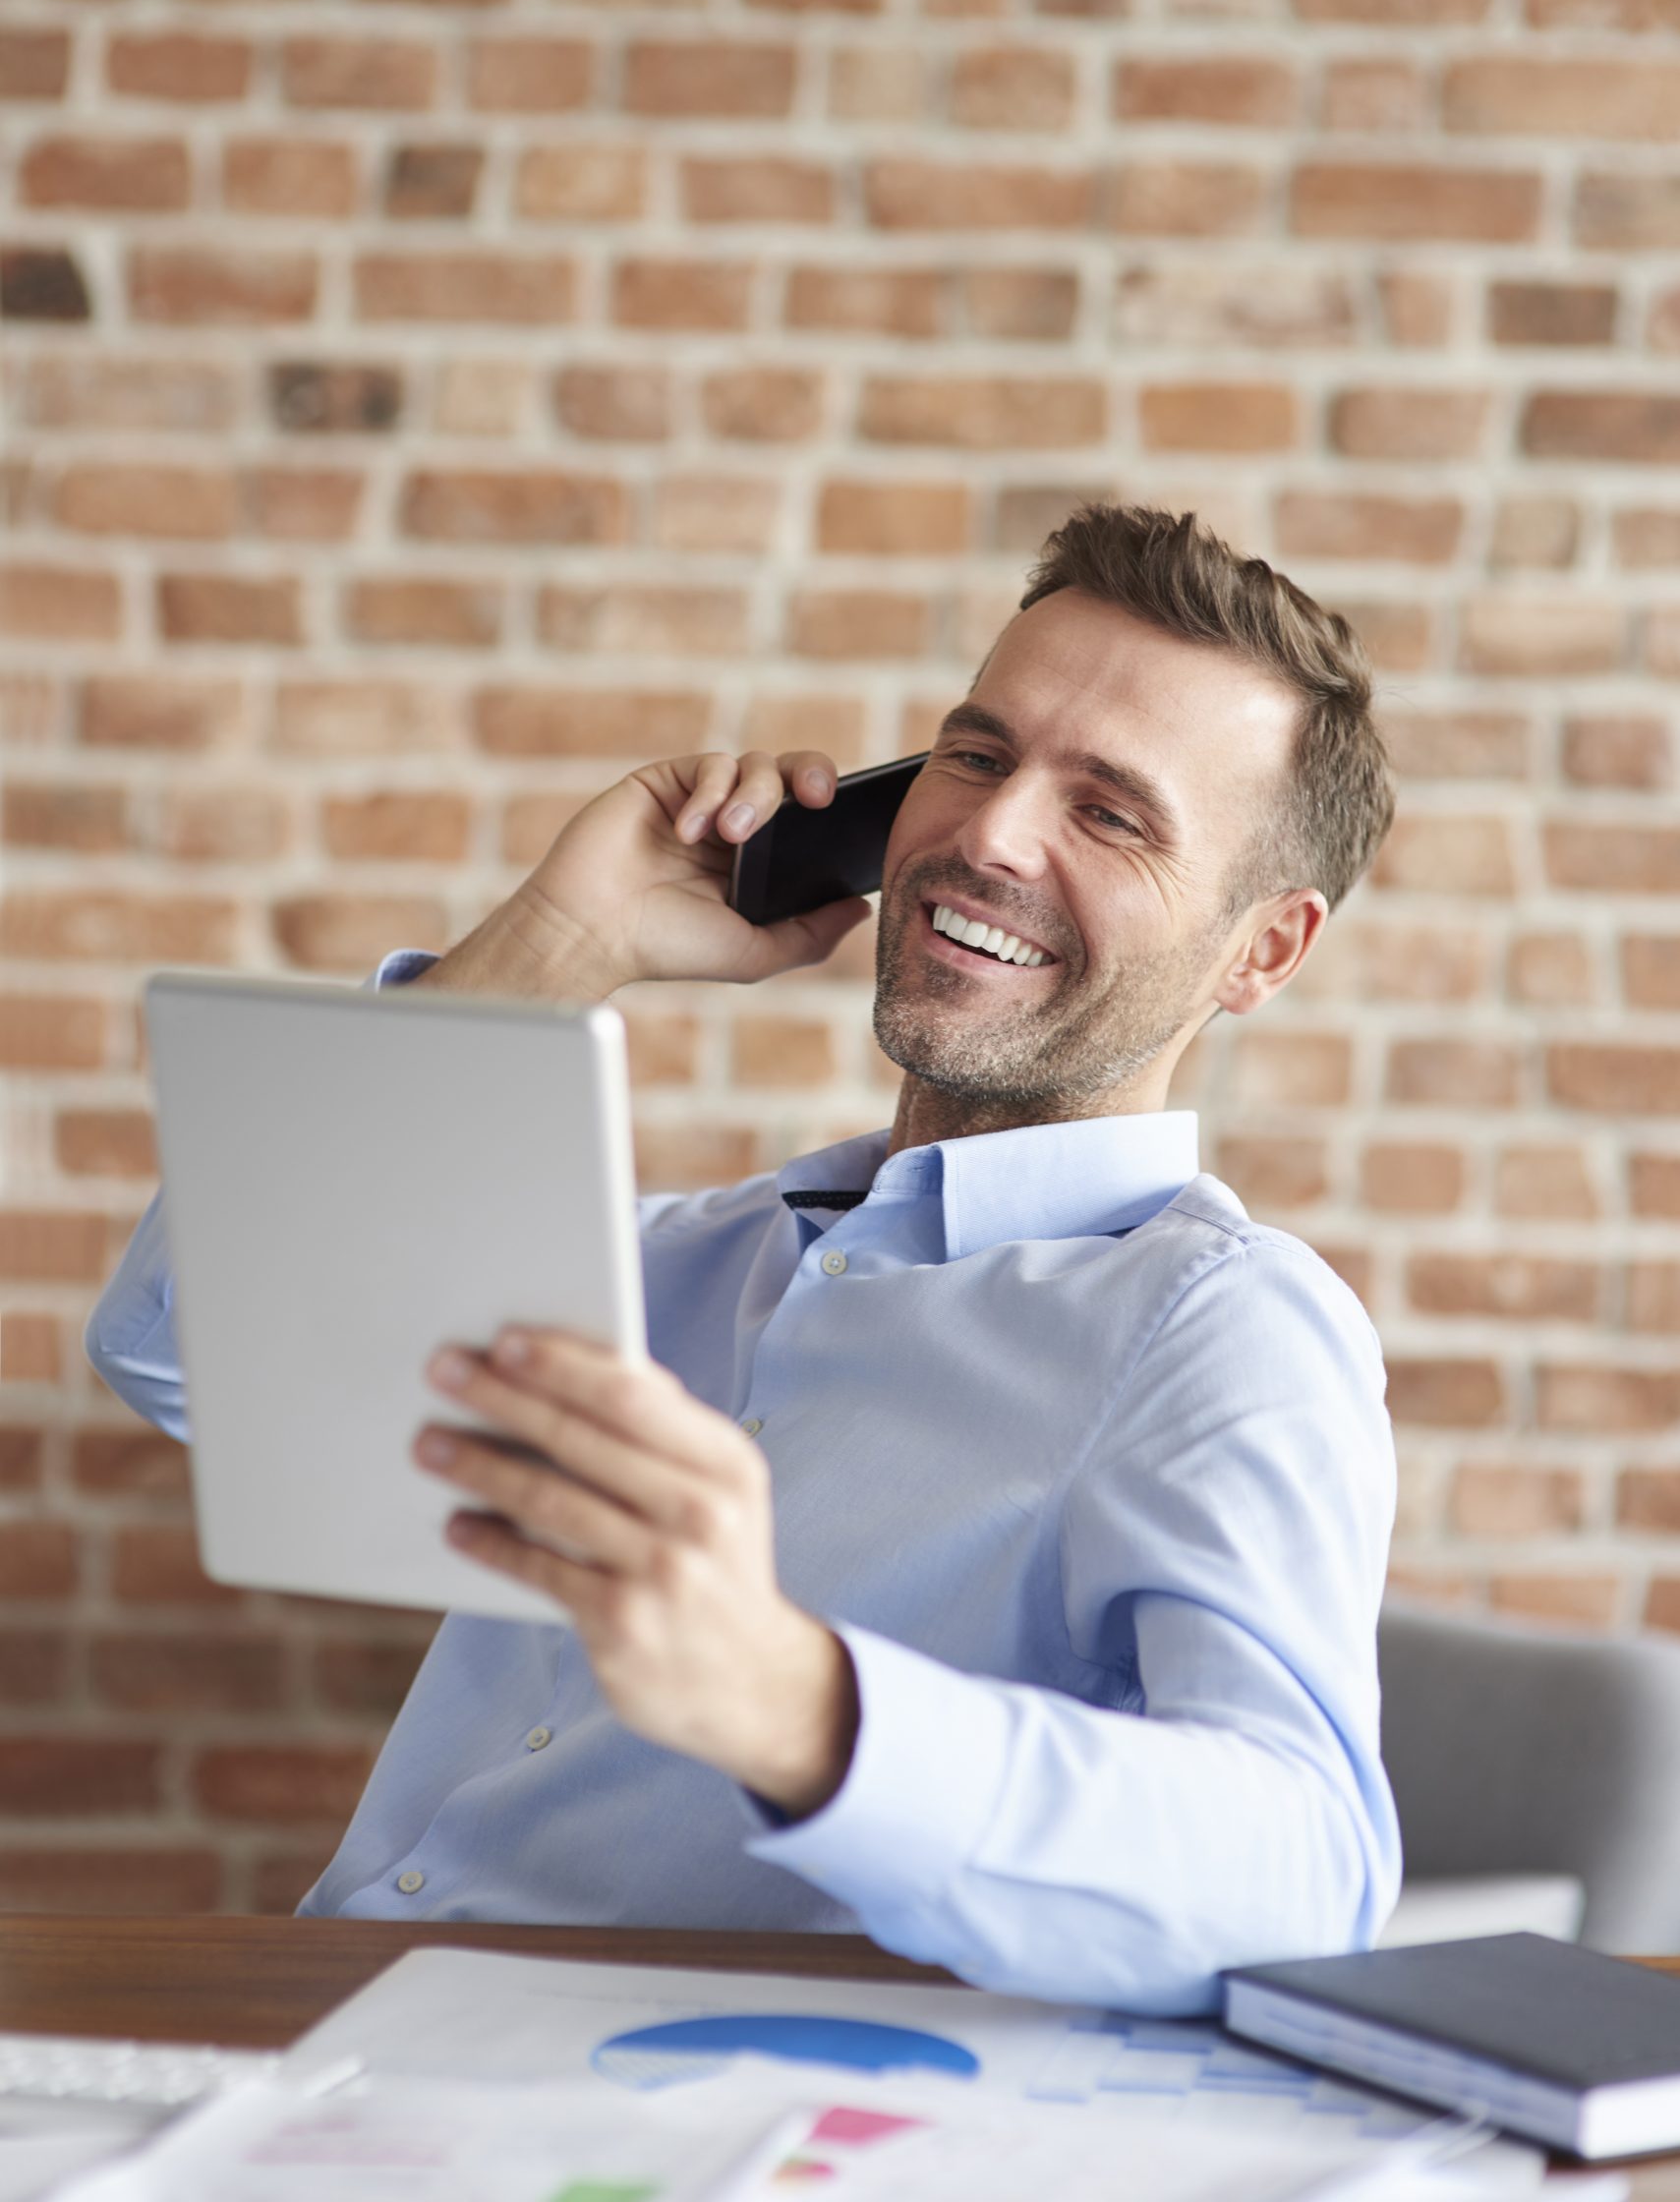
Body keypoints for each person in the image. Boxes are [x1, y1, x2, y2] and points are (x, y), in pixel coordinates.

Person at [87, 504, 1401, 2012]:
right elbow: (178, 1347)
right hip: (345, 2037)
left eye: (1110, 813)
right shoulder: (673, 1267)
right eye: (976, 756)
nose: (986, 835)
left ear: (1262, 951)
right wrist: (566, 938)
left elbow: (1301, 1874)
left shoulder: (1215, 1327)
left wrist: (790, 1701)